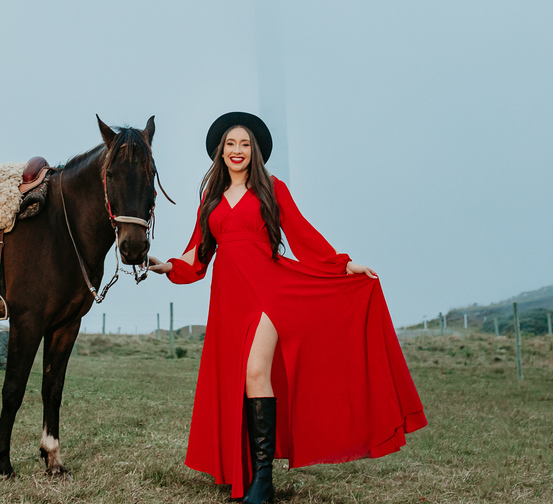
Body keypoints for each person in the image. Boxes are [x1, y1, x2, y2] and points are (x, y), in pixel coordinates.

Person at [147, 112, 426, 504]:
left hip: (269, 290)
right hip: (228, 297)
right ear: (220, 152)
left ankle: (263, 480)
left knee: (257, 370)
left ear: (254, 151)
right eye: (231, 144)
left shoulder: (271, 189)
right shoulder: (210, 200)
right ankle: (246, 474)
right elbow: (197, 254)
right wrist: (167, 266)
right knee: (239, 381)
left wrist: (343, 264)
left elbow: (303, 234)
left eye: (245, 144)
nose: (238, 150)